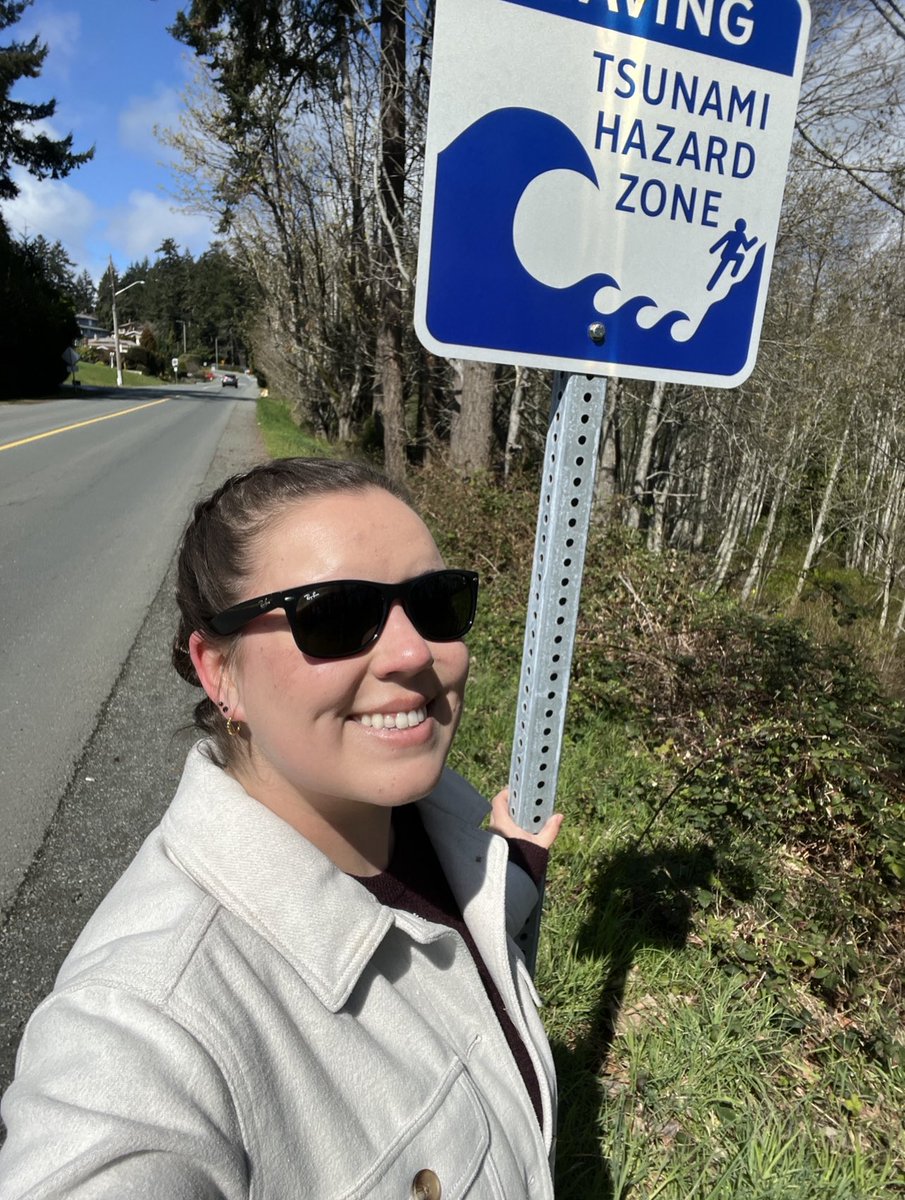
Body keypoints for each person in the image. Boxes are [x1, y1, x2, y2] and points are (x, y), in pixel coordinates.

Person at [0, 457, 562, 1198]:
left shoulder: (438, 827)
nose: (412, 652)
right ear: (219, 672)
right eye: (333, 615)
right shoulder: (144, 1022)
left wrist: (509, 875)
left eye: (434, 602)